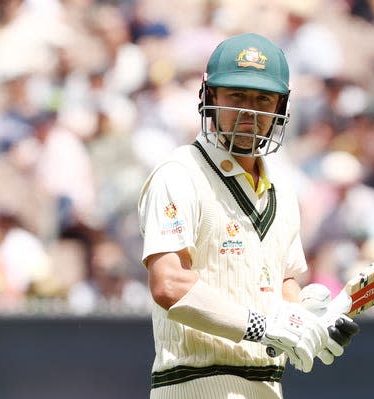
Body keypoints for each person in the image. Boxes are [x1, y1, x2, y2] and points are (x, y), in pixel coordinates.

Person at [137, 33, 359, 399]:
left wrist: (308, 321)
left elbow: (282, 283)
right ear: (210, 97)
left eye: (262, 99)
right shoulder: (180, 173)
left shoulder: (282, 190)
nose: (250, 113)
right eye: (236, 96)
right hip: (194, 385)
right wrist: (262, 326)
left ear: (280, 107)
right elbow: (169, 284)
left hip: (267, 387)